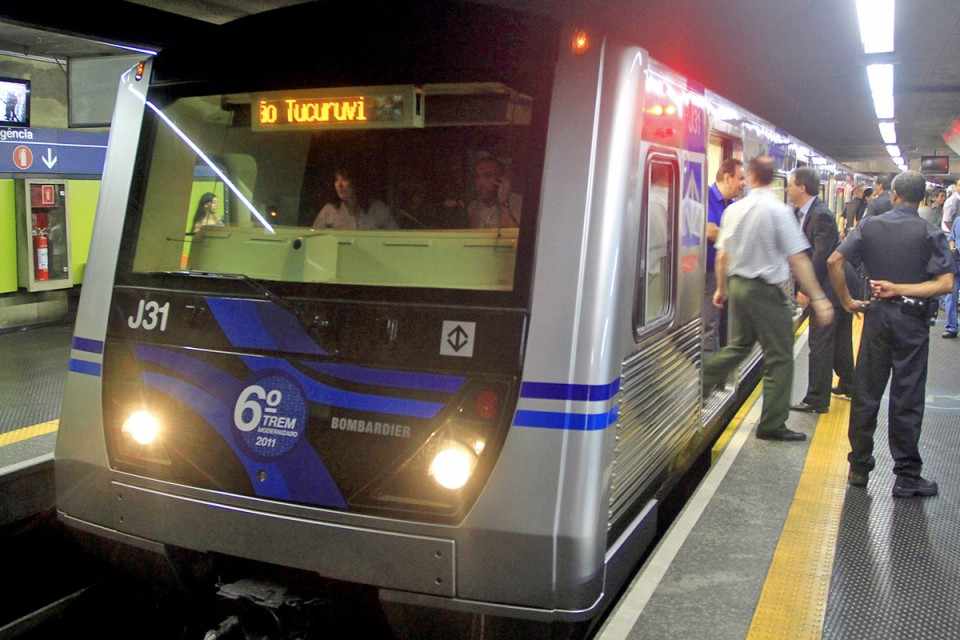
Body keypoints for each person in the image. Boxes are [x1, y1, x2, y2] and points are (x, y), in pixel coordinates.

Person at [827, 171, 955, 497]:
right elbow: (945, 284)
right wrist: (902, 288)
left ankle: (858, 467)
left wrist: (846, 300)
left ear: (894, 194)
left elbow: (834, 261)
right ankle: (907, 476)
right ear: (922, 198)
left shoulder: (870, 226)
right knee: (907, 397)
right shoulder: (929, 232)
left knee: (867, 392)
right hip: (912, 323)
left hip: (877, 318)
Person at [703, 156, 834, 442]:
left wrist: (721, 288)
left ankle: (700, 381)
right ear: (772, 178)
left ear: (750, 177)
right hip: (764, 290)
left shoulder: (734, 210)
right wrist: (819, 296)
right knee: (780, 355)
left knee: (739, 346)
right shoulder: (778, 211)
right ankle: (772, 424)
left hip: (738, 285)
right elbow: (798, 258)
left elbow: (723, 254)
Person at [787, 167, 840, 414]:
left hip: (825, 290)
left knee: (820, 344)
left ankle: (817, 399)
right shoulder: (803, 213)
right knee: (829, 342)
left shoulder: (821, 215)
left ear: (802, 187)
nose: (787, 188)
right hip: (820, 289)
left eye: (790, 184)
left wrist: (809, 291)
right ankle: (846, 381)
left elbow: (820, 257)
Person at [704, 158, 745, 353]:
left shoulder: (733, 205)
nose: (743, 183)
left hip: (728, 273)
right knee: (709, 324)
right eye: (740, 178)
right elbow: (709, 231)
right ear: (728, 178)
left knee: (724, 323)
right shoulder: (706, 197)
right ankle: (710, 378)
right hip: (709, 274)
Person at [312, 166, 398, 230]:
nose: (339, 185)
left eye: (344, 179)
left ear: (356, 181)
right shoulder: (329, 211)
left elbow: (394, 238)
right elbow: (314, 241)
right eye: (336, 180)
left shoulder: (377, 209)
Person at [467, 157, 521, 229]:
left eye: (487, 176)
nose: (480, 182)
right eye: (477, 176)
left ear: (501, 179)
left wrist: (504, 203)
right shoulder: (473, 207)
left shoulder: (519, 202)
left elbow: (513, 237)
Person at [942, 210, 960, 339]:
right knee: (950, 296)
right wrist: (953, 248)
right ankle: (951, 327)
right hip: (957, 262)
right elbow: (951, 238)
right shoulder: (958, 220)